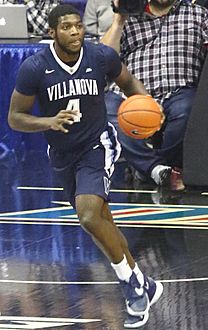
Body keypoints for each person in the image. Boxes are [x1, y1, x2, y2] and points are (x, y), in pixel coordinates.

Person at [8, 4, 163, 329]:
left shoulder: (100, 56)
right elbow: (15, 118)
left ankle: (132, 287)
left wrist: (150, 117)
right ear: (52, 32)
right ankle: (143, 283)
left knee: (89, 213)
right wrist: (48, 122)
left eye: (78, 25)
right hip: (63, 154)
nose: (75, 32)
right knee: (99, 221)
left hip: (99, 143)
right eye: (67, 27)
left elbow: (129, 84)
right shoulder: (35, 67)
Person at [101, 0, 208, 191]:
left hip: (179, 90)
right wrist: (118, 20)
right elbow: (104, 59)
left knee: (187, 110)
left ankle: (148, 167)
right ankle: (156, 169)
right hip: (131, 93)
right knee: (107, 109)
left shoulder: (198, 14)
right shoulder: (130, 15)